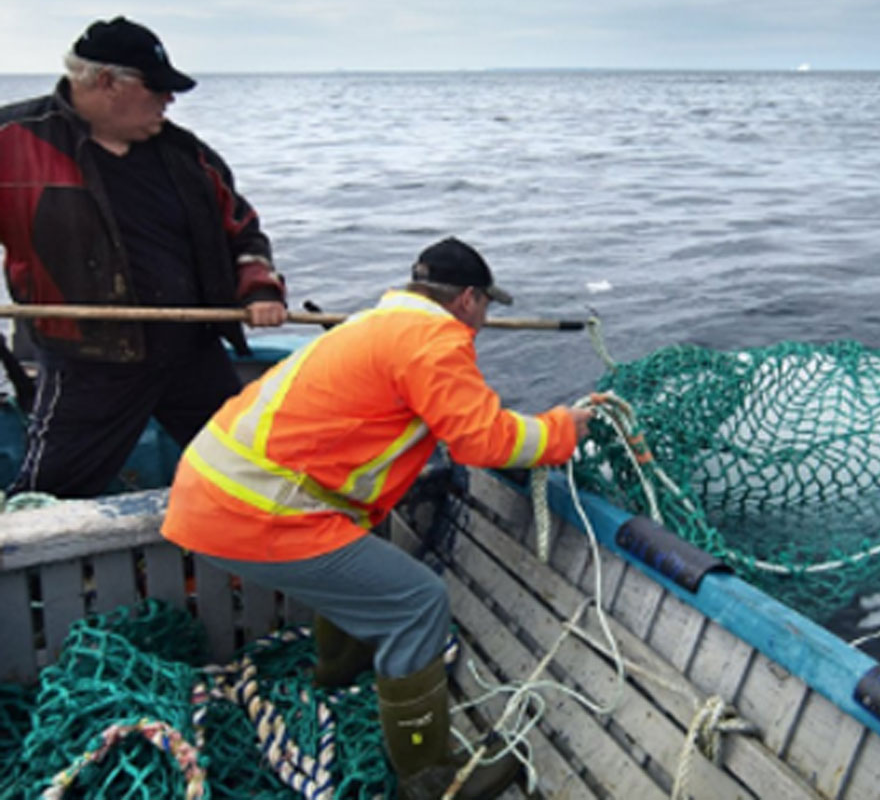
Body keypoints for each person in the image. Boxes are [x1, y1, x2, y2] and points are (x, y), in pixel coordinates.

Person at [160, 237, 593, 799]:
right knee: (417, 604)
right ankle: (431, 776)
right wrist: (562, 428)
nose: (483, 321)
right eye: (486, 306)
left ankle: (336, 677)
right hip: (255, 508)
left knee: (365, 568)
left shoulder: (378, 325)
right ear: (467, 299)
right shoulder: (433, 339)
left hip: (215, 493)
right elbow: (482, 441)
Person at [0, 16, 287, 498]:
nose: (169, 100)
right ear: (107, 83)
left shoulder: (187, 154)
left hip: (192, 351)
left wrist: (259, 288)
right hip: (88, 360)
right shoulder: (13, 141)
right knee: (48, 496)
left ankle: (268, 566)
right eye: (157, 88)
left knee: (255, 475)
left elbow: (243, 231)